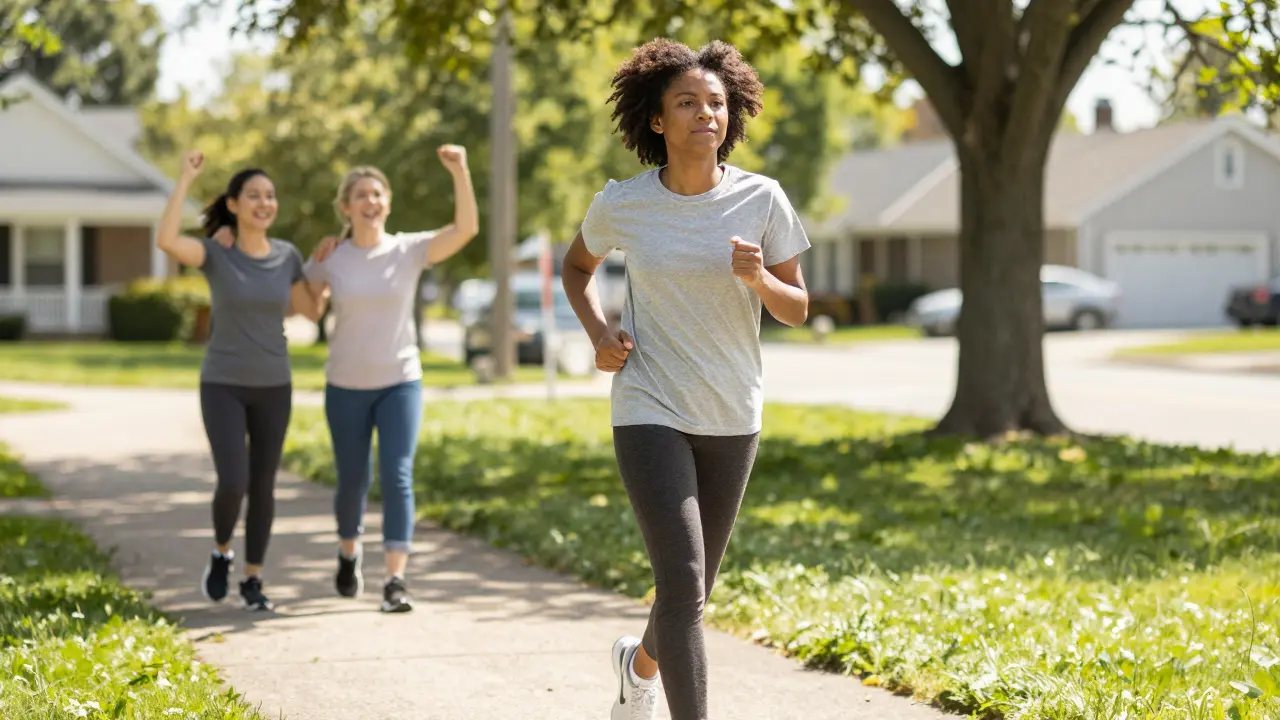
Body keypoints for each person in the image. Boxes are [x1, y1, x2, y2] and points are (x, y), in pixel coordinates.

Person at [560, 39, 811, 720]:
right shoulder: (625, 204)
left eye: (717, 103)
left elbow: (798, 308)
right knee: (684, 581)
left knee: (689, 593)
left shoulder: (763, 199)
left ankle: (636, 668)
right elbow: (575, 268)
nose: (706, 113)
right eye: (687, 103)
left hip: (732, 410)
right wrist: (599, 333)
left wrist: (759, 278)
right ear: (658, 121)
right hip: (649, 404)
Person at [297, 146, 478, 613]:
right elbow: (307, 305)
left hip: (400, 380)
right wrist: (306, 270)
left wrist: (459, 170)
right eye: (361, 195)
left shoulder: (409, 249)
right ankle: (348, 553)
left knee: (398, 476)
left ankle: (395, 580)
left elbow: (465, 230)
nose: (370, 201)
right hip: (344, 385)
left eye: (377, 193)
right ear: (346, 208)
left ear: (388, 202)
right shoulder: (331, 257)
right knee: (352, 480)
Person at [156, 151, 320, 612]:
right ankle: (222, 552)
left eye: (270, 196)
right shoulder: (216, 251)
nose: (264, 203)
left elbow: (311, 310)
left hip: (274, 384)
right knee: (234, 481)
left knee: (264, 485)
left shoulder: (288, 256)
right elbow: (167, 240)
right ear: (233, 204)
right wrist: (185, 178)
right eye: (254, 196)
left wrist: (321, 271)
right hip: (223, 383)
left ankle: (254, 580)